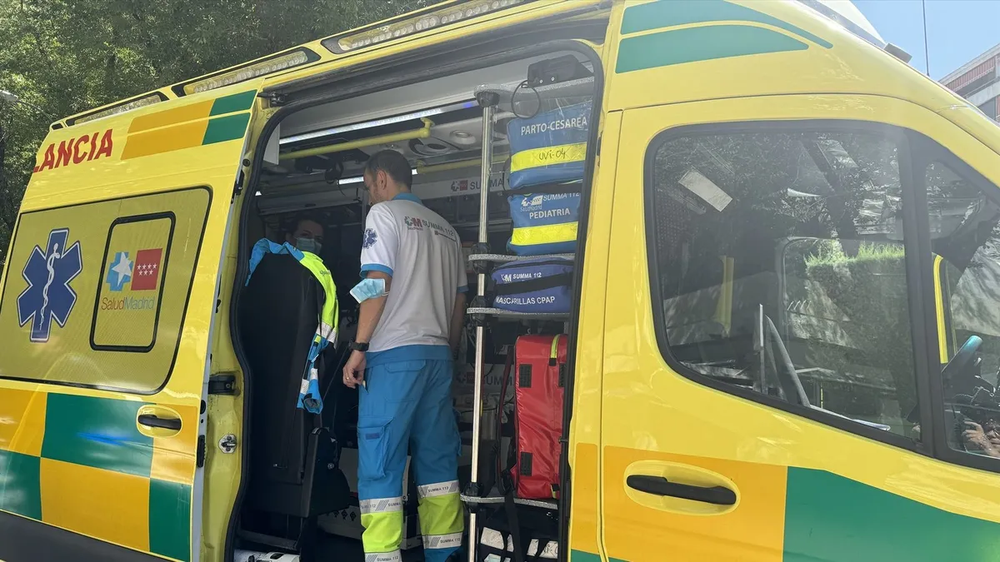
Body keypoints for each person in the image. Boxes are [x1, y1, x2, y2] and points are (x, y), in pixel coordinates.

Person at [343, 150, 468, 562]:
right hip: (436, 357)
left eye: (367, 187)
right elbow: (458, 303)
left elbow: (377, 283)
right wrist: (447, 352)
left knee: (381, 463)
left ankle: (382, 557)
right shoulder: (447, 230)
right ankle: (445, 555)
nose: (369, 196)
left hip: (393, 355)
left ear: (381, 179)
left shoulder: (384, 216)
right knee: (437, 465)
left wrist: (358, 347)